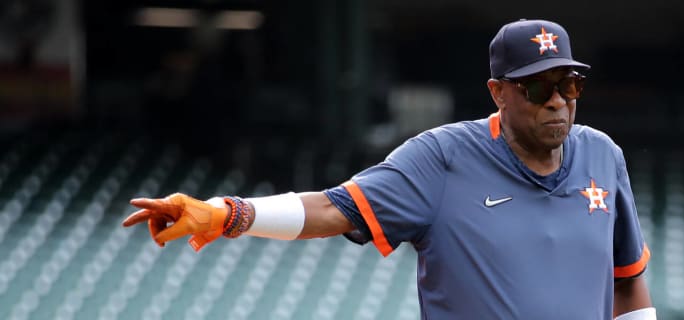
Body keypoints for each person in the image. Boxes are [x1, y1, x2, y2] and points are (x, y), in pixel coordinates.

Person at [123, 19, 656, 320]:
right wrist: (229, 213)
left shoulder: (602, 156)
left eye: (569, 85)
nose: (557, 101)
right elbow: (336, 207)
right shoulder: (444, 158)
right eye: (538, 88)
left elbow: (628, 283)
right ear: (498, 93)